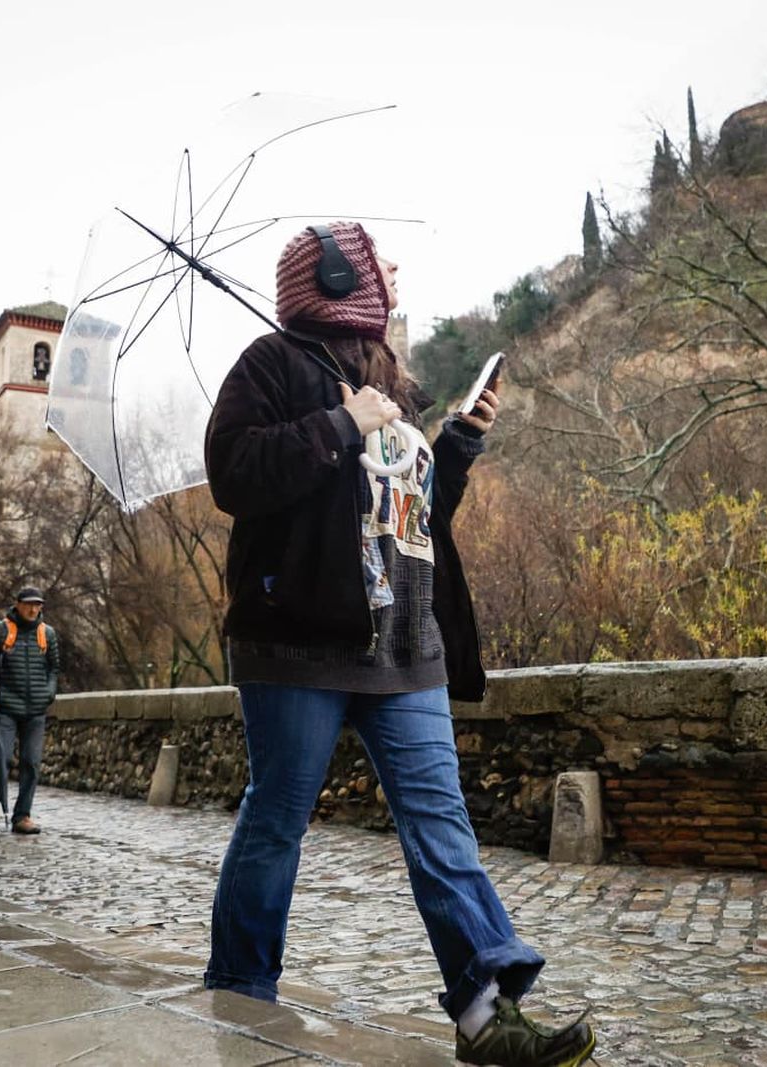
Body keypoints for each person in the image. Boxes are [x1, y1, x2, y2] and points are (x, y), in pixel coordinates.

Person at [202, 221, 597, 1067]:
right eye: (378, 260)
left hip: (406, 643)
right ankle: (238, 988)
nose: (393, 269)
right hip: (299, 644)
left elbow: (412, 515)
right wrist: (340, 423)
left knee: (440, 821)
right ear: (338, 277)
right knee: (277, 819)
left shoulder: (391, 382)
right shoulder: (269, 365)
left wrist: (456, 443)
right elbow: (233, 472)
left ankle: (487, 1016)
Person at [0, 586, 60, 835]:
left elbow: (54, 669)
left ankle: (22, 816)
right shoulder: (0, 631)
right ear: (18, 604)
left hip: (36, 710)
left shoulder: (47, 634)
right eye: (29, 604)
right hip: (6, 707)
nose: (33, 610)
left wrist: (49, 692)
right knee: (2, 757)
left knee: (31, 762)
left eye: (37, 605)